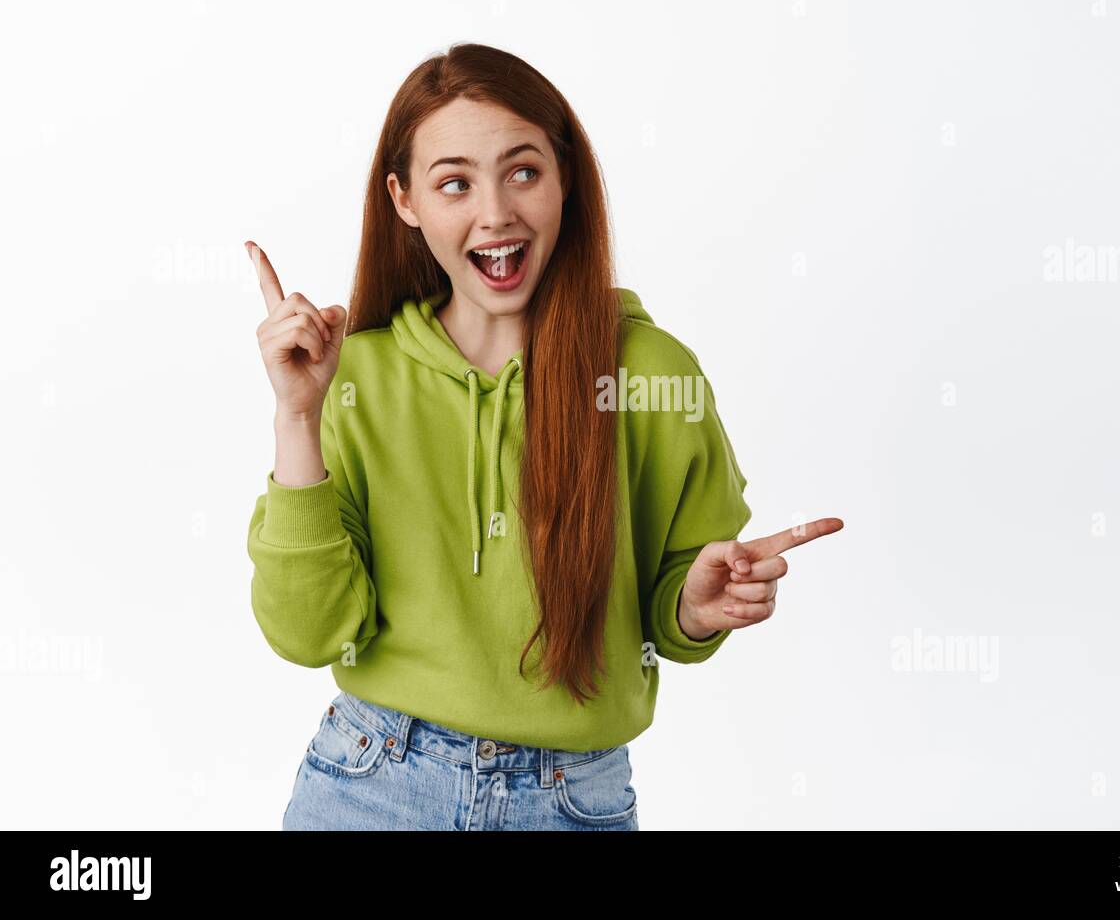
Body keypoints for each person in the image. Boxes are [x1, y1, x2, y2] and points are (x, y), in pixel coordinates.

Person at [246, 42, 843, 830]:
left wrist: (695, 606)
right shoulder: (353, 375)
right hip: (372, 783)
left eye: (523, 171)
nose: (495, 211)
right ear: (404, 201)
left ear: (565, 178)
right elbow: (308, 633)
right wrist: (297, 416)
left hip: (573, 798)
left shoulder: (648, 372)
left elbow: (674, 606)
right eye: (454, 182)